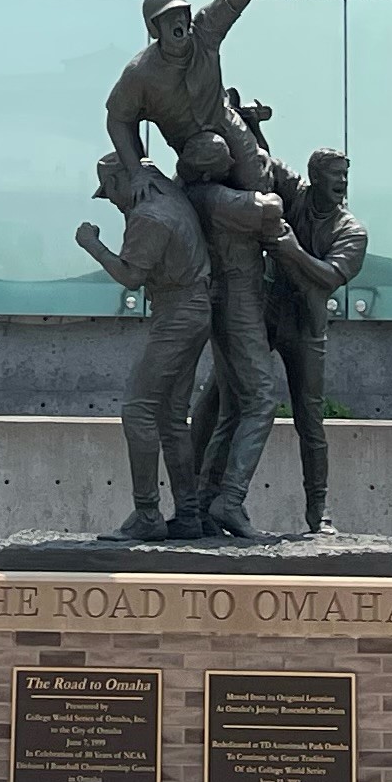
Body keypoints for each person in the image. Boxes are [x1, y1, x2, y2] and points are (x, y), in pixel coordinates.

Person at [186, 147, 369, 531]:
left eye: (345, 176)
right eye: (335, 174)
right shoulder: (297, 195)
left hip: (306, 327)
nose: (342, 183)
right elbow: (260, 159)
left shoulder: (351, 230)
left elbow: (329, 278)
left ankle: (317, 512)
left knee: (310, 421)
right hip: (264, 315)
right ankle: (202, 501)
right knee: (223, 400)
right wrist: (246, 121)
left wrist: (292, 251)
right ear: (315, 176)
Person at [72, 147, 211, 539]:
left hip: (179, 315)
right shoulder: (168, 196)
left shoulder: (149, 215)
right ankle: (188, 515)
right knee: (170, 418)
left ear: (120, 181)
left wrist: (92, 245)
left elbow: (131, 276)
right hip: (192, 310)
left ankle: (148, 515)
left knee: (138, 410)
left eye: (109, 191)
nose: (112, 201)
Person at [170, 128, 293, 538]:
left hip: (228, 300)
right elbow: (270, 204)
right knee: (262, 400)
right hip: (237, 302)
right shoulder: (214, 198)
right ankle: (231, 499)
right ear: (208, 171)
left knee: (231, 407)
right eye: (224, 161)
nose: (232, 165)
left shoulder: (200, 192)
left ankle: (205, 501)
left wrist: (255, 132)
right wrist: (255, 157)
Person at [104, 0, 262, 176]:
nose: (178, 21)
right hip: (192, 145)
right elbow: (118, 119)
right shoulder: (140, 73)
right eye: (168, 17)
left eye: (181, 14)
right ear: (155, 28)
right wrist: (138, 172)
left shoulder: (206, 30)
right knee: (215, 154)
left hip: (225, 119)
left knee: (257, 176)